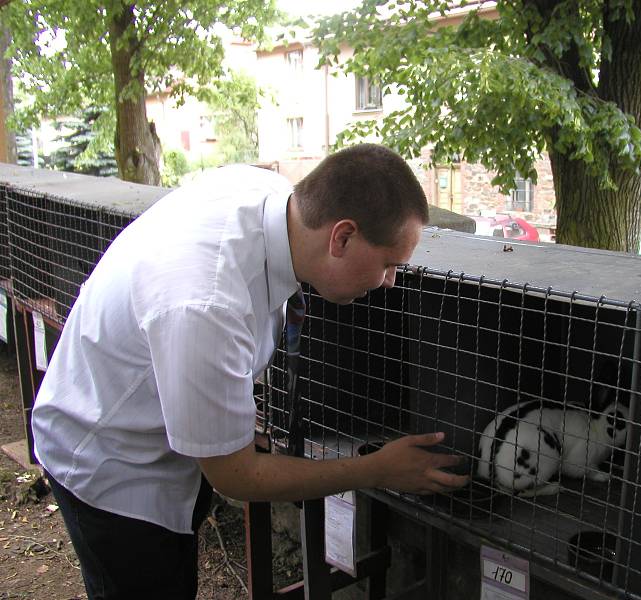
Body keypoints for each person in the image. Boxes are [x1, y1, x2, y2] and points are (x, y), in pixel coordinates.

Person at [31, 143, 469, 599]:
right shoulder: (209, 303)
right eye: (389, 264)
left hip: (158, 431)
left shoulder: (271, 197)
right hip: (110, 463)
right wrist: (376, 469)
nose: (389, 282)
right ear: (341, 237)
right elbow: (236, 476)